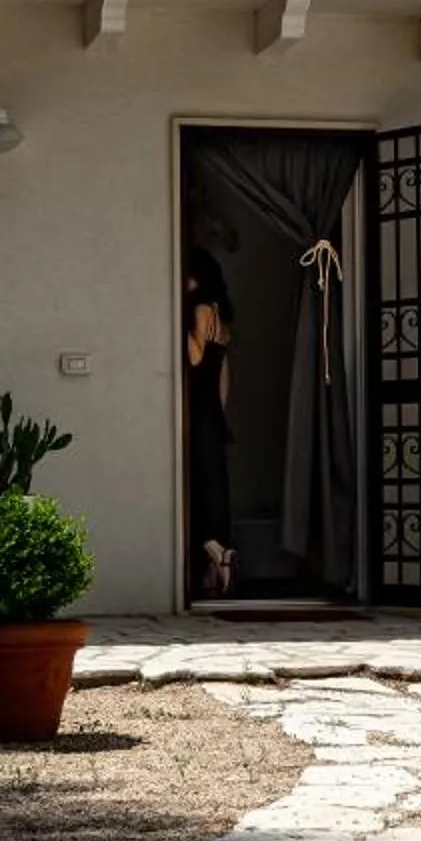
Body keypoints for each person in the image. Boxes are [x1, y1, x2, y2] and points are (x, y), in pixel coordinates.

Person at [185, 245, 236, 597]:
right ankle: (218, 560)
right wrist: (223, 412)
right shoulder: (223, 316)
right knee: (214, 478)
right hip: (212, 408)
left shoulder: (200, 310)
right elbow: (223, 373)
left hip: (195, 405)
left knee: (198, 482)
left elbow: (194, 357)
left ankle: (214, 550)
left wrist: (179, 325)